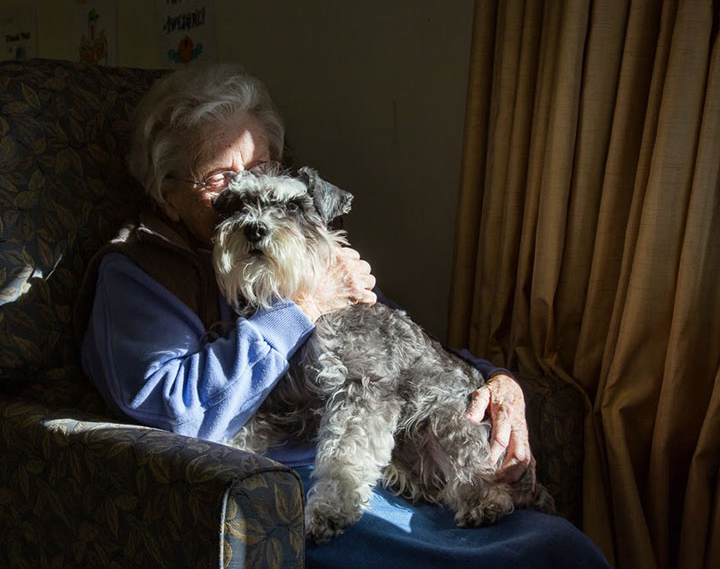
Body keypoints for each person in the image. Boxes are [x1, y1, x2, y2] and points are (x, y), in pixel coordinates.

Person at [78, 63, 609, 567]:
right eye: (219, 181)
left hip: (378, 454)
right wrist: (306, 306)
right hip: (284, 483)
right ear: (166, 196)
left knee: (552, 541)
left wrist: (494, 376)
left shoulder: (300, 238)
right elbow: (176, 411)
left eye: (260, 169)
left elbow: (389, 338)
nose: (246, 193)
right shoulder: (137, 273)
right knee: (528, 558)